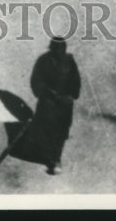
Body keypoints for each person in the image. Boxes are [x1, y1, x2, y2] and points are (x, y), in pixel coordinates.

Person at [25, 37, 81, 175]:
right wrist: (47, 93)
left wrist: (71, 95)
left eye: (61, 48)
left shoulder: (69, 61)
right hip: (48, 103)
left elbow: (76, 80)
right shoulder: (43, 61)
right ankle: (46, 157)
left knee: (60, 133)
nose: (59, 51)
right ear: (51, 48)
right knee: (45, 130)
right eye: (56, 48)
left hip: (64, 105)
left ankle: (55, 159)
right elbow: (36, 80)